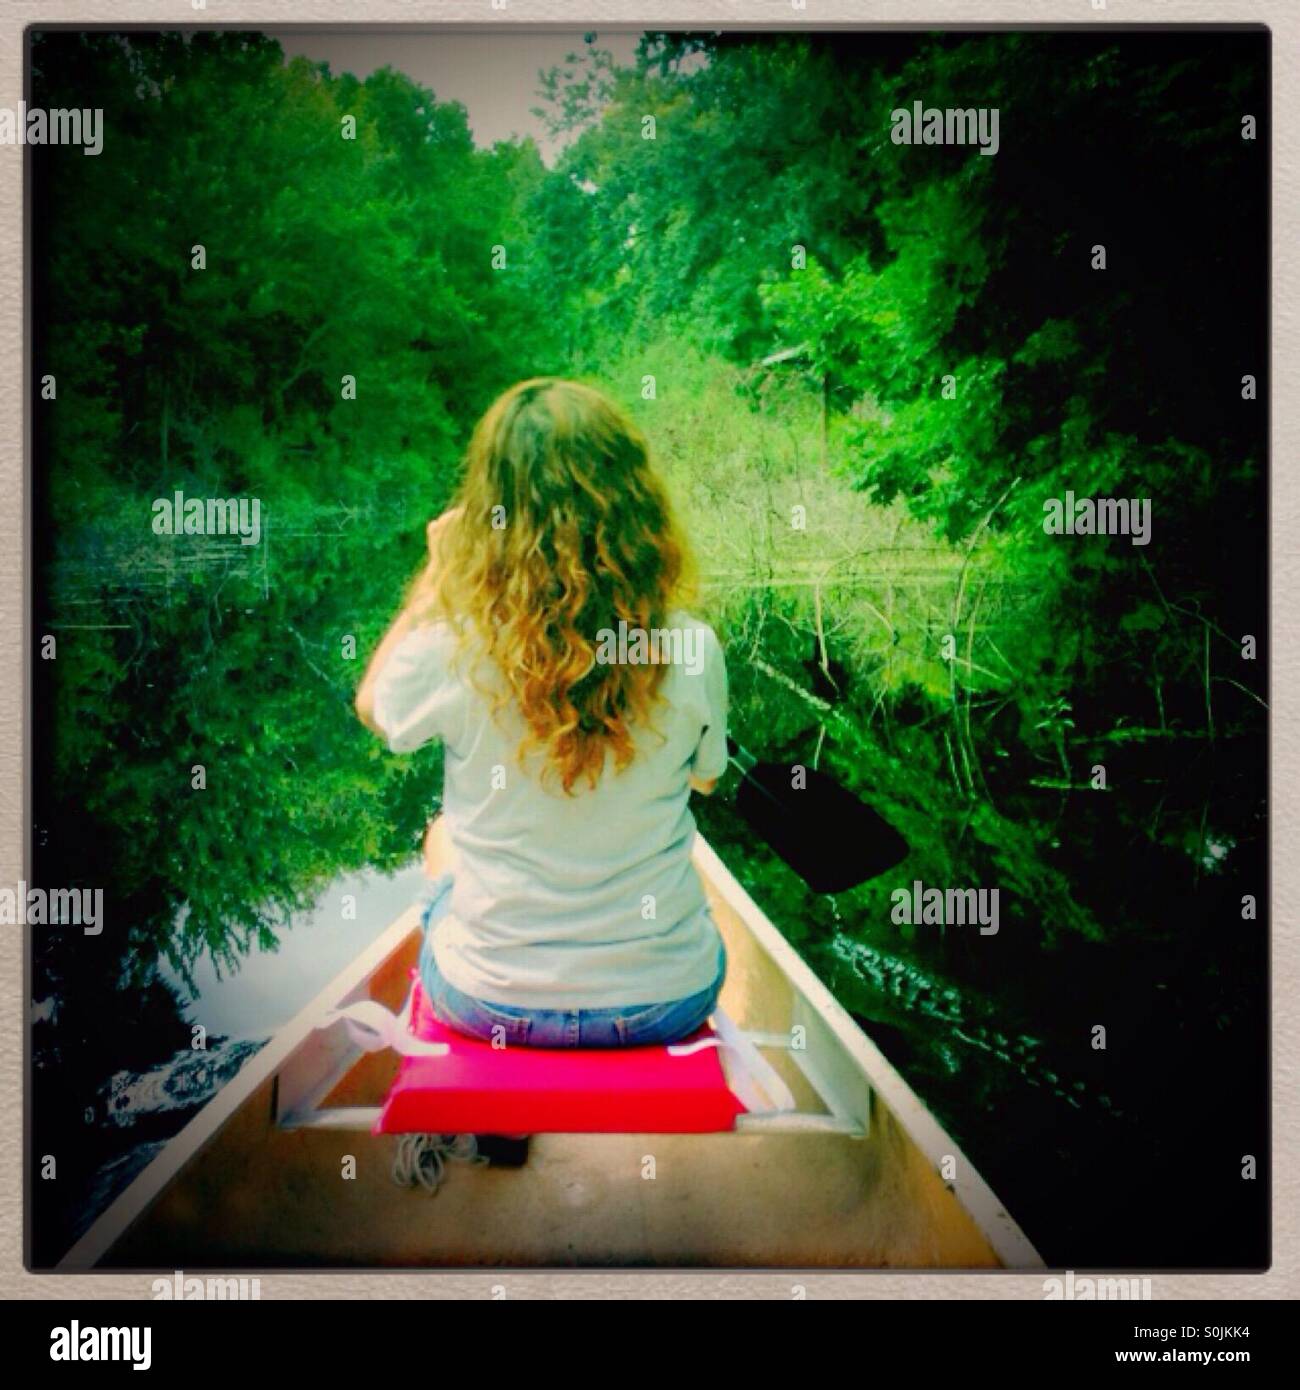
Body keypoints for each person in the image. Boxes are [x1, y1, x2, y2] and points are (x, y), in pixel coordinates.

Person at [354, 378, 729, 1049]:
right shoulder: (692, 646)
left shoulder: (455, 646)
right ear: (638, 506)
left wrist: (434, 585)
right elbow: (705, 780)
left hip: (489, 1002)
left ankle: (494, 1097)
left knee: (442, 836)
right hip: (664, 1001)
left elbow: (374, 708)